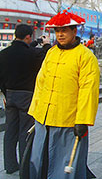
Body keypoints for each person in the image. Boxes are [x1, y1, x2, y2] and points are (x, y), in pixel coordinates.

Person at [28, 9, 100, 178]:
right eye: (57, 31)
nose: (60, 35)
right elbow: (41, 82)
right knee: (40, 160)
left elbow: (88, 90)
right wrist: (35, 110)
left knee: (66, 163)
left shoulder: (86, 56)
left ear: (74, 31)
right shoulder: (51, 52)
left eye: (64, 30)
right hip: (44, 118)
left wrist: (83, 120)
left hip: (68, 120)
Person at [0, 24, 50, 174]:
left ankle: (10, 165)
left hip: (9, 95)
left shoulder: (4, 54)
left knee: (10, 131)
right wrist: (46, 45)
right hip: (27, 96)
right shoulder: (33, 54)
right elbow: (47, 58)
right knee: (25, 132)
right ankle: (24, 166)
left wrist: (5, 94)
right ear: (28, 37)